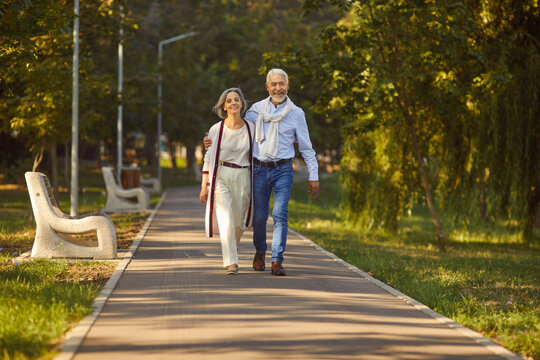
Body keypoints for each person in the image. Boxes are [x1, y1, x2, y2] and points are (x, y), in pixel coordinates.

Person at [205, 69, 319, 276]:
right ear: (267, 87)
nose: (278, 88)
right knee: (259, 217)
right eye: (273, 84)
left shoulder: (297, 114)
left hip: (284, 169)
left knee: (280, 214)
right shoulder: (256, 111)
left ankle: (277, 260)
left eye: (281, 84)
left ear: (288, 85)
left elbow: (306, 147)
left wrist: (314, 175)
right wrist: (212, 141)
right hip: (258, 169)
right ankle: (260, 252)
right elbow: (238, 132)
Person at [200, 88, 255, 275]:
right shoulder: (217, 129)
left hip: (243, 175)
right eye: (229, 100)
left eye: (236, 100)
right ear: (223, 106)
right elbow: (208, 157)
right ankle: (232, 261)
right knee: (226, 220)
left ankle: (232, 251)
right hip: (221, 175)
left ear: (241, 104)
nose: (233, 103)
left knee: (239, 223)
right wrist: (204, 186)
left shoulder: (251, 128)